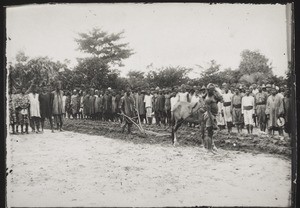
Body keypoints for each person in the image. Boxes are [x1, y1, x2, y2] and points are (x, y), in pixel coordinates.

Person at [203, 83, 223, 151]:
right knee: (209, 132)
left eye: (214, 90)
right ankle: (209, 149)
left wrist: (216, 91)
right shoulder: (208, 99)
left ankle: (210, 148)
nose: (214, 91)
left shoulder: (213, 96)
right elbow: (208, 112)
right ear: (209, 90)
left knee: (211, 133)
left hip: (213, 115)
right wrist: (213, 122)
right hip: (210, 116)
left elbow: (221, 99)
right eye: (212, 90)